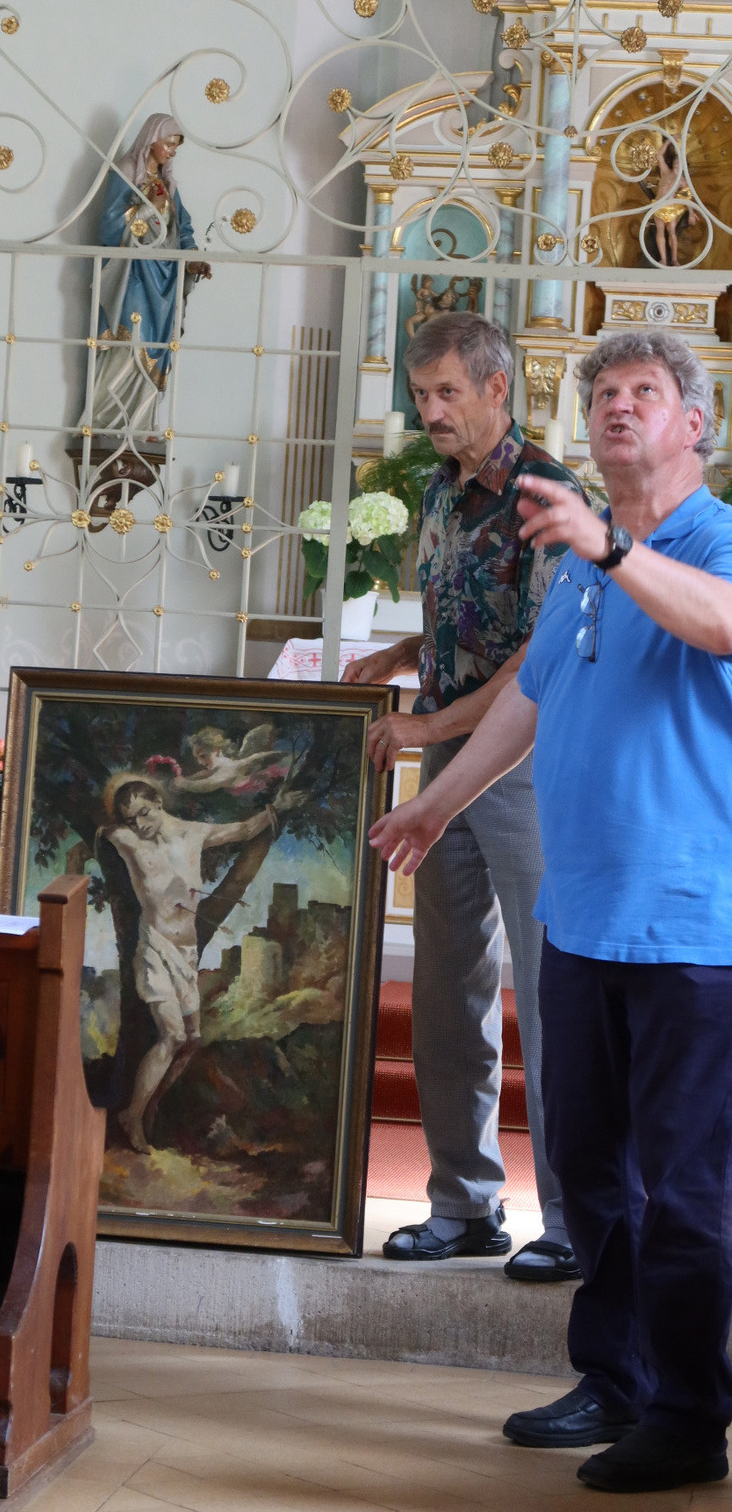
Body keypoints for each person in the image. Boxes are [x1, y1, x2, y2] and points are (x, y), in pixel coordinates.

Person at [368, 329, 732, 1495]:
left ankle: (691, 1411)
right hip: (579, 921)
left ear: (695, 424)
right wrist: (438, 804)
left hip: (690, 931)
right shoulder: (579, 558)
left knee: (687, 1187)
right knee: (590, 1172)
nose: (619, 405)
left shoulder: (708, 541)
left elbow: (722, 624)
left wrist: (610, 545)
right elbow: (529, 699)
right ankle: (616, 1380)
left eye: (646, 392)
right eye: (604, 391)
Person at [344, 311, 587, 1278]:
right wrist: (400, 654)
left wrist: (428, 725)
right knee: (449, 991)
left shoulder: (549, 496)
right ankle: (463, 1203)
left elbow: (538, 658)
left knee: (550, 992)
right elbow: (465, 621)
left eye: (446, 392)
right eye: (419, 394)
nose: (428, 411)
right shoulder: (439, 492)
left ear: (497, 387)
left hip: (525, 765)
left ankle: (570, 1218)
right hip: (444, 759)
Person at [100, 773, 299, 1154]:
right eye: (131, 819)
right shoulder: (126, 839)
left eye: (144, 813)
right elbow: (100, 832)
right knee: (173, 1035)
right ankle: (132, 1116)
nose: (140, 824)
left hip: (187, 951)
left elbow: (242, 830)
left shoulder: (194, 834)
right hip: (155, 947)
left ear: (158, 803)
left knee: (191, 1039)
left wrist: (276, 808)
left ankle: (152, 1103)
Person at [92, 113, 212, 429]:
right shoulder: (126, 172)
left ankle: (141, 424)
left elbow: (182, 228)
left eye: (175, 148)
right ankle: (106, 420)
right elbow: (108, 227)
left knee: (155, 347)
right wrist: (144, 211)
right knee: (129, 341)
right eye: (168, 144)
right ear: (152, 139)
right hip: (132, 274)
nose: (171, 152)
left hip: (165, 280)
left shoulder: (167, 186)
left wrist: (192, 259)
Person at [651, 141, 696, 267]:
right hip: (658, 206)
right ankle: (663, 259)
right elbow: (659, 155)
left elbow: (687, 197)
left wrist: (691, 213)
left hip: (670, 209)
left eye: (679, 162)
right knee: (660, 232)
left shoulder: (682, 180)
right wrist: (669, 141)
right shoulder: (665, 172)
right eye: (675, 161)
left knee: (671, 233)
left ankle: (674, 259)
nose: (676, 163)